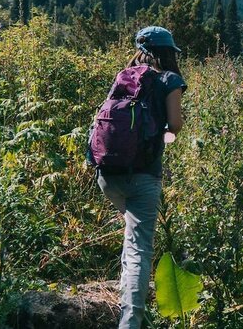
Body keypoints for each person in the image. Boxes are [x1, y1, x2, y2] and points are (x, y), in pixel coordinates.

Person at [96, 26, 186, 329]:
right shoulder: (170, 80)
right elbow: (175, 124)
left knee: (131, 233)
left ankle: (130, 303)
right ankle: (130, 323)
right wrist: (165, 133)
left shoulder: (124, 75)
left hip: (107, 174)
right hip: (144, 175)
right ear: (168, 52)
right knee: (138, 248)